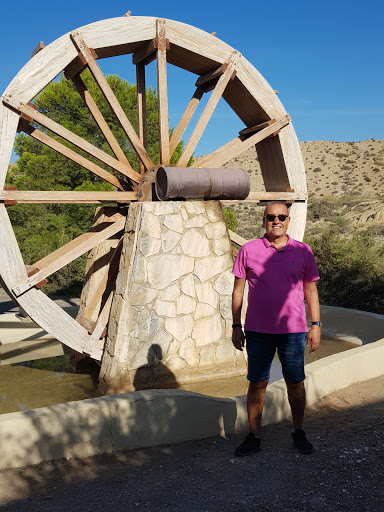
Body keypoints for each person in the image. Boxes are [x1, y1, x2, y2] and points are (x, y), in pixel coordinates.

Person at [232, 201, 321, 456]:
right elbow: (238, 291)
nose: (276, 220)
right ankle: (254, 435)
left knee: (295, 383)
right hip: (258, 331)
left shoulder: (303, 251)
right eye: (271, 216)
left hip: (293, 332)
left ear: (288, 221)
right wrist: (236, 326)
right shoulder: (248, 250)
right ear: (264, 220)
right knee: (257, 383)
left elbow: (310, 290)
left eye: (281, 216)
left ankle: (298, 431)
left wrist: (315, 325)